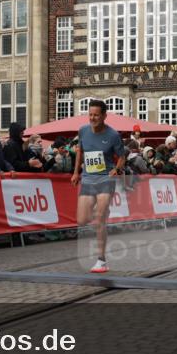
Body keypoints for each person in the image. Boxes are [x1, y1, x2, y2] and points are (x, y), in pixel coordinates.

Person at [71, 99, 126, 273]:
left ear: (104, 116)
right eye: (90, 115)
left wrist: (117, 169)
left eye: (96, 115)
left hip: (105, 178)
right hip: (88, 179)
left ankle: (101, 260)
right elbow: (80, 151)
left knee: (100, 218)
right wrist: (76, 172)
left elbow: (122, 156)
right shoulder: (83, 131)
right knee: (82, 220)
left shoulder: (113, 135)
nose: (92, 118)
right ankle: (102, 211)